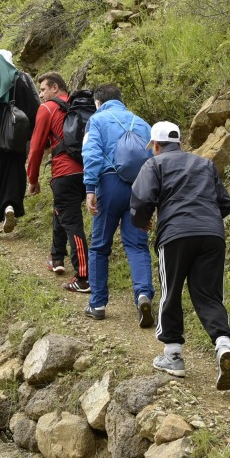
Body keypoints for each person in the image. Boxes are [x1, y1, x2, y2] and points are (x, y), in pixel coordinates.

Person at [131, 121, 230, 390]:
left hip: (175, 234)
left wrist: (141, 222)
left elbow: (142, 200)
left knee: (171, 290)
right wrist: (207, 220)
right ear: (179, 143)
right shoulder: (204, 164)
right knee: (209, 294)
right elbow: (224, 202)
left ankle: (173, 355)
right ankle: (223, 345)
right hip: (212, 234)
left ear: (155, 145)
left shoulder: (154, 165)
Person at [81, 83, 154, 325]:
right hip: (139, 188)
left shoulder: (97, 120)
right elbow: (154, 159)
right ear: (121, 99)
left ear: (98, 102)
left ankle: (98, 303)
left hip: (109, 185)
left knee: (100, 245)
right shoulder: (142, 123)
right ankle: (143, 294)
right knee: (137, 245)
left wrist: (90, 187)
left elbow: (91, 153)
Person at [27, 72, 89, 290]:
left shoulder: (47, 109)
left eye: (43, 89)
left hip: (65, 173)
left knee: (72, 222)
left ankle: (83, 276)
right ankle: (56, 257)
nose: (41, 95)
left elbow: (35, 149)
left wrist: (32, 179)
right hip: (89, 171)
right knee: (61, 211)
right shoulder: (79, 107)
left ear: (55, 88)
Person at [0, 50, 39, 241]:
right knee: (15, 170)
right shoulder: (21, 79)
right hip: (17, 137)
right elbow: (33, 109)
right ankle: (10, 205)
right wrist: (30, 135)